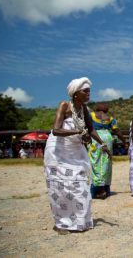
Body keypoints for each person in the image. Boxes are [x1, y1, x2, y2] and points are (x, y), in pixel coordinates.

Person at [44, 77, 110, 235]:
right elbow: (56, 130)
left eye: (89, 90)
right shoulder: (64, 106)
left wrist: (102, 144)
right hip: (58, 151)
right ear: (75, 93)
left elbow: (91, 129)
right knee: (60, 187)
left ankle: (79, 221)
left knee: (79, 185)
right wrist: (78, 132)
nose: (89, 93)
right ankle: (61, 223)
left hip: (76, 150)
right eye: (85, 91)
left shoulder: (84, 109)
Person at [88, 103, 126, 199]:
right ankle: (105, 188)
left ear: (96, 108)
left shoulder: (91, 115)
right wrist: (124, 141)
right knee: (106, 164)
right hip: (107, 139)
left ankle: (98, 190)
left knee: (96, 163)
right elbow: (116, 131)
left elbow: (86, 127)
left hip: (95, 138)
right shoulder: (110, 119)